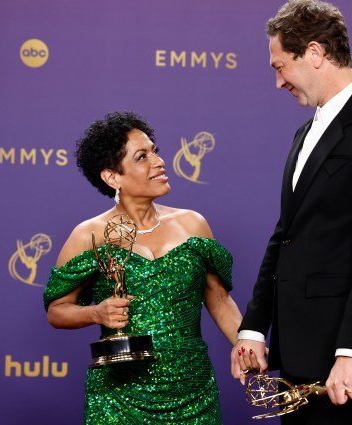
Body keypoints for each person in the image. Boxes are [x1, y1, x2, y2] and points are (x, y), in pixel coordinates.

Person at [231, 1, 352, 424]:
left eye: (281, 67)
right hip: (295, 357)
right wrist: (253, 328)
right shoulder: (305, 131)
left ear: (314, 53)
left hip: (340, 360)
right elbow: (286, 235)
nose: (278, 82)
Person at [44, 111, 242, 424]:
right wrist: (95, 313)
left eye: (155, 151)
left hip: (193, 393)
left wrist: (246, 344)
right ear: (112, 177)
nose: (158, 161)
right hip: (119, 399)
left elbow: (218, 299)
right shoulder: (88, 235)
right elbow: (57, 310)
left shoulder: (192, 223)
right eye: (141, 157)